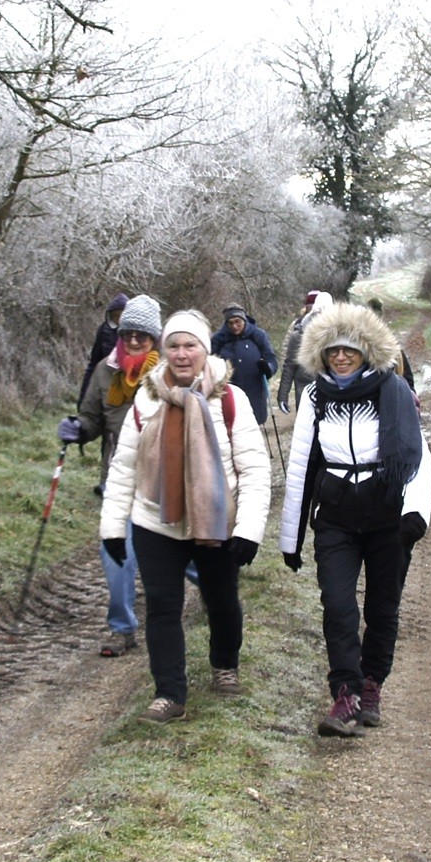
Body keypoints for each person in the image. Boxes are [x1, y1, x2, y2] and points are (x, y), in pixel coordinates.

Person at [99, 309, 273, 722]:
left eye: (189, 345)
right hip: (155, 520)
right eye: (173, 345)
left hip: (215, 520)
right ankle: (170, 694)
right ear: (164, 350)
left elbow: (254, 469)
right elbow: (124, 469)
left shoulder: (230, 398)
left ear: (204, 350)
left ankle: (224, 666)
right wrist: (112, 529)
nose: (181, 354)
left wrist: (248, 531)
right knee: (162, 606)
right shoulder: (146, 398)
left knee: (222, 599)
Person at [279, 301, 431, 737]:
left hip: (387, 514)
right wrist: (290, 537)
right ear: (321, 356)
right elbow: (301, 464)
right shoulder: (315, 397)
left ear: (365, 352)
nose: (341, 357)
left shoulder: (394, 390)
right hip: (337, 516)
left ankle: (371, 686)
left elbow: (418, 457)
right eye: (333, 352)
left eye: (349, 350)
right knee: (339, 606)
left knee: (383, 606)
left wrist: (415, 513)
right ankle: (344, 694)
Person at [58, 294, 163, 656]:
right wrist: (78, 429)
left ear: (155, 338)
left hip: (164, 480)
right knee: (115, 553)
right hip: (117, 476)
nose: (134, 340)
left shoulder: (169, 371)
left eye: (143, 335)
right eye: (129, 332)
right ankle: (122, 629)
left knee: (190, 555)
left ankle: (218, 597)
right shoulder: (106, 370)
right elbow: (92, 418)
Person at [210, 303, 278, 425]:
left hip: (254, 390)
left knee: (253, 425)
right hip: (229, 391)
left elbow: (272, 360)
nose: (234, 326)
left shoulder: (258, 335)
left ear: (244, 320)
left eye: (237, 322)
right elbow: (210, 363)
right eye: (230, 323)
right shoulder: (218, 339)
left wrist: (268, 368)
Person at [276, 290, 332, 414]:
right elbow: (289, 362)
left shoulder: (338, 336)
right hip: (304, 385)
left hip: (330, 390)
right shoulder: (298, 332)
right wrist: (283, 395)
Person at [78, 294, 128, 403]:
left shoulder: (136, 334)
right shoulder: (104, 331)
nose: (119, 320)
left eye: (122, 315)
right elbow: (93, 363)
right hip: (105, 382)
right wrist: (83, 396)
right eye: (115, 316)